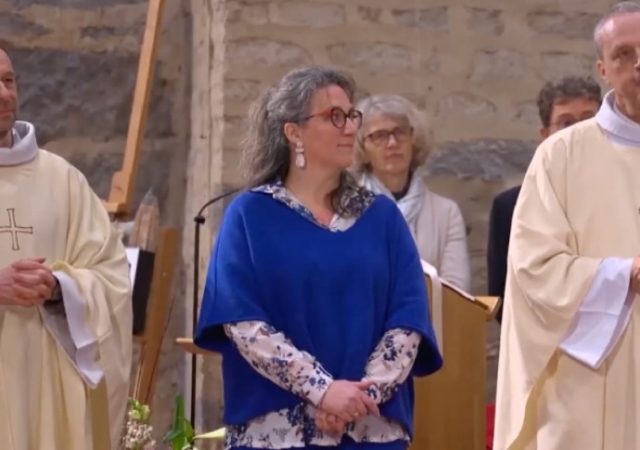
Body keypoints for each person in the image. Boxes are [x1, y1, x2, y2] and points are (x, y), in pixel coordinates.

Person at [194, 66, 442, 450]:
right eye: (334, 116)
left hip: (370, 428)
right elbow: (243, 323)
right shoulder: (249, 216)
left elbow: (408, 318)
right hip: (278, 432)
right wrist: (322, 391)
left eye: (351, 115)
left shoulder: (382, 217)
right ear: (293, 133)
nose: (350, 127)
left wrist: (358, 398)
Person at [494, 2, 640, 449]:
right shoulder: (560, 156)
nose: (639, 64)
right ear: (603, 69)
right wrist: (624, 274)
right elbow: (533, 269)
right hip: (591, 384)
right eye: (624, 54)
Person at [0, 46, 132, 450]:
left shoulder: (64, 181)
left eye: (8, 80)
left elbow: (111, 274)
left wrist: (61, 288)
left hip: (47, 385)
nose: (4, 93)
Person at [486, 76, 601, 322]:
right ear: (545, 134)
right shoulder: (510, 207)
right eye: (566, 122)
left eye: (588, 120)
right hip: (544, 337)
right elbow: (504, 298)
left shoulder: (625, 191)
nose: (577, 132)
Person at [353, 94, 471, 291]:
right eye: (379, 136)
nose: (392, 143)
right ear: (362, 149)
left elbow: (456, 290)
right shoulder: (344, 211)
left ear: (414, 140)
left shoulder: (446, 213)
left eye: (400, 132)